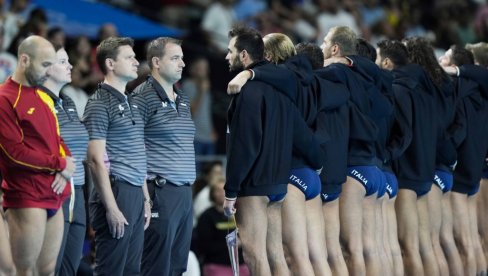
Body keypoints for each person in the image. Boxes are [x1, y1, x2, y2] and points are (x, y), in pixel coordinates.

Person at [223, 26, 324, 276]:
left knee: (256, 256)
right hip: (278, 185)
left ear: (244, 56)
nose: (226, 57)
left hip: (255, 185)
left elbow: (244, 145)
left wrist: (231, 190)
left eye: (230, 51)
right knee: (275, 254)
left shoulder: (248, 91)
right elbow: (300, 133)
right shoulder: (281, 90)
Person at [0, 35, 76, 276]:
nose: (49, 71)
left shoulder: (42, 97)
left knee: (47, 271)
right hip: (27, 193)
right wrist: (60, 164)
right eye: (44, 65)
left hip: (54, 192)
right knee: (24, 271)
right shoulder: (5, 98)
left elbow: (57, 139)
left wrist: (67, 167)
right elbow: (14, 152)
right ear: (24, 60)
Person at [83, 37, 151, 275]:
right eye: (129, 57)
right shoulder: (99, 103)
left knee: (132, 270)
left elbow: (138, 153)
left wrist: (145, 198)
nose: (136, 61)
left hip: (133, 193)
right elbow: (94, 159)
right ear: (110, 64)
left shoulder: (131, 101)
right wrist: (111, 207)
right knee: (111, 270)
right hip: (115, 192)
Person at [132, 37, 196, 276]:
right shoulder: (141, 97)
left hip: (184, 192)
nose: (182, 64)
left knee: (178, 267)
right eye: (175, 58)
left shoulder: (183, 98)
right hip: (159, 192)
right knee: (156, 267)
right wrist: (145, 198)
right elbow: (132, 150)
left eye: (182, 58)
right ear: (156, 62)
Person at [38, 44, 89, 275]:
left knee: (70, 268)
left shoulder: (67, 101)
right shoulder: (36, 101)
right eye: (63, 61)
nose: (71, 66)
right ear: (46, 68)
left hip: (77, 192)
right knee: (50, 268)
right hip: (53, 191)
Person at [440, 45, 488, 276]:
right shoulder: (480, 91)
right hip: (475, 169)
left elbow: (458, 131)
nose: (440, 59)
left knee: (462, 241)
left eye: (445, 57)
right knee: (472, 239)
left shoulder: (461, 90)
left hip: (462, 170)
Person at [195, 177, 250, 276]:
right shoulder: (206, 216)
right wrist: (230, 243)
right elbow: (204, 246)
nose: (222, 193)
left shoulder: (240, 213)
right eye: (218, 190)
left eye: (225, 190)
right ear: (212, 194)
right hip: (216, 265)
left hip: (241, 264)